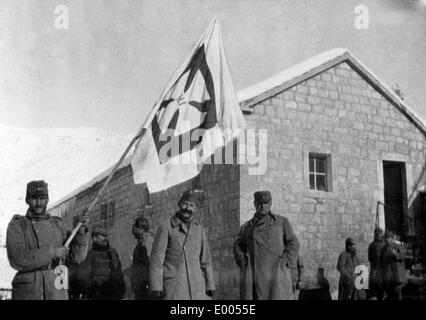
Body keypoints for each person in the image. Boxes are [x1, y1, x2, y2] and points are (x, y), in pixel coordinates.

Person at [6, 180, 90, 300]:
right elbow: (18, 258)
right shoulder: (18, 225)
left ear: (48, 200)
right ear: (27, 200)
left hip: (56, 291)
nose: (39, 203)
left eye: (43, 198)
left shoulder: (58, 224)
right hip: (29, 292)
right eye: (34, 198)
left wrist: (81, 229)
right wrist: (52, 253)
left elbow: (77, 257)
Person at [234, 191, 300, 300]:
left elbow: (293, 243)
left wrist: (285, 262)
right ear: (254, 204)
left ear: (270, 204)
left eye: (266, 203)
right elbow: (237, 245)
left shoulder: (281, 222)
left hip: (277, 276)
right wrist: (243, 263)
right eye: (260, 203)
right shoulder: (247, 227)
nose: (263, 206)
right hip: (254, 276)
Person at [150, 189, 215, 300]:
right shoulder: (166, 227)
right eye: (185, 204)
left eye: (192, 205)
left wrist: (210, 284)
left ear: (196, 208)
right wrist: (157, 286)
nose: (188, 208)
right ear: (179, 204)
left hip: (197, 288)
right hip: (174, 288)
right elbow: (157, 260)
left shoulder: (199, 230)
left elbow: (206, 261)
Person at [78, 224, 125, 300]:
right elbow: (83, 276)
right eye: (103, 235)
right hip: (107, 293)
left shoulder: (110, 252)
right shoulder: (94, 254)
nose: (105, 238)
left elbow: (119, 271)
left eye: (105, 236)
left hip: (107, 293)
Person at [129, 215, 153, 300]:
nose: (132, 231)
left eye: (134, 228)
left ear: (140, 229)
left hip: (145, 285)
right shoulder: (141, 242)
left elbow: (151, 264)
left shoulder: (147, 243)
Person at [380, 230, 407, 300]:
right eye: (386, 238)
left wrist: (396, 254)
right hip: (389, 276)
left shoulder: (398, 246)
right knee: (390, 294)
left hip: (397, 275)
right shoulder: (384, 248)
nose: (387, 240)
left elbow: (403, 256)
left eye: (388, 238)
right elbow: (382, 261)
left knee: (398, 294)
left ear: (392, 238)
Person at [368, 227, 385, 300]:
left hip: (382, 270)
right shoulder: (371, 245)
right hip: (375, 269)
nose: (378, 236)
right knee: (374, 290)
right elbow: (370, 258)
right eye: (377, 234)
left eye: (380, 234)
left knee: (381, 290)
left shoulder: (385, 245)